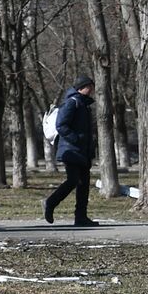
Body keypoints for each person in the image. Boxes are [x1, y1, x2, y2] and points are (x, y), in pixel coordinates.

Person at [44, 76, 100, 227]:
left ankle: (81, 217)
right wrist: (75, 139)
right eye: (89, 86)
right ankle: (50, 203)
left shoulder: (84, 105)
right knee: (73, 180)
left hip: (82, 151)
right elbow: (61, 125)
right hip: (71, 150)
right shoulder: (72, 102)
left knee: (84, 184)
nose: (92, 90)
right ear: (81, 87)